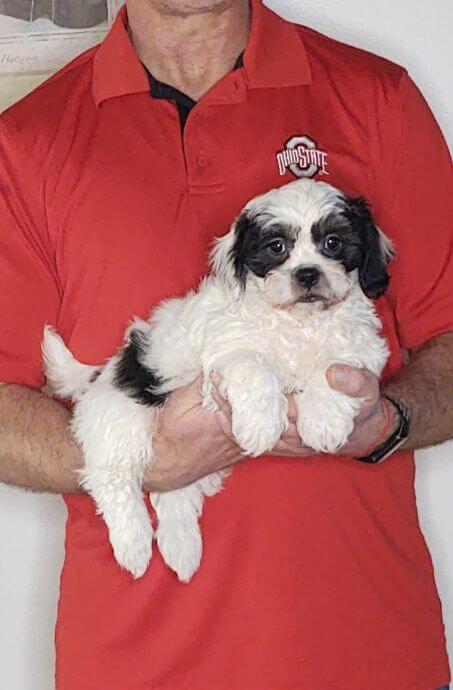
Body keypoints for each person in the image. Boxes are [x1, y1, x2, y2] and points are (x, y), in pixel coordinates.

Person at [0, 1, 452, 688]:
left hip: (364, 648)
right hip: (133, 659)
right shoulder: (24, 141)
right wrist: (144, 460)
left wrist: (387, 422)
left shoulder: (376, 97)